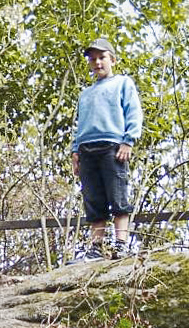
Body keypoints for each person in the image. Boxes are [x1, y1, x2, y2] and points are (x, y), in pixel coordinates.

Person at [69, 37, 143, 263]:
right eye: (93, 59)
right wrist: (75, 152)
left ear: (112, 59)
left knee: (118, 196)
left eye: (102, 58)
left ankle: (121, 245)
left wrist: (128, 140)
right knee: (93, 199)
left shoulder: (122, 83)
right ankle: (96, 248)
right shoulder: (85, 94)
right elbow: (79, 124)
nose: (97, 62)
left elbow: (134, 112)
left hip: (113, 147)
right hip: (86, 150)